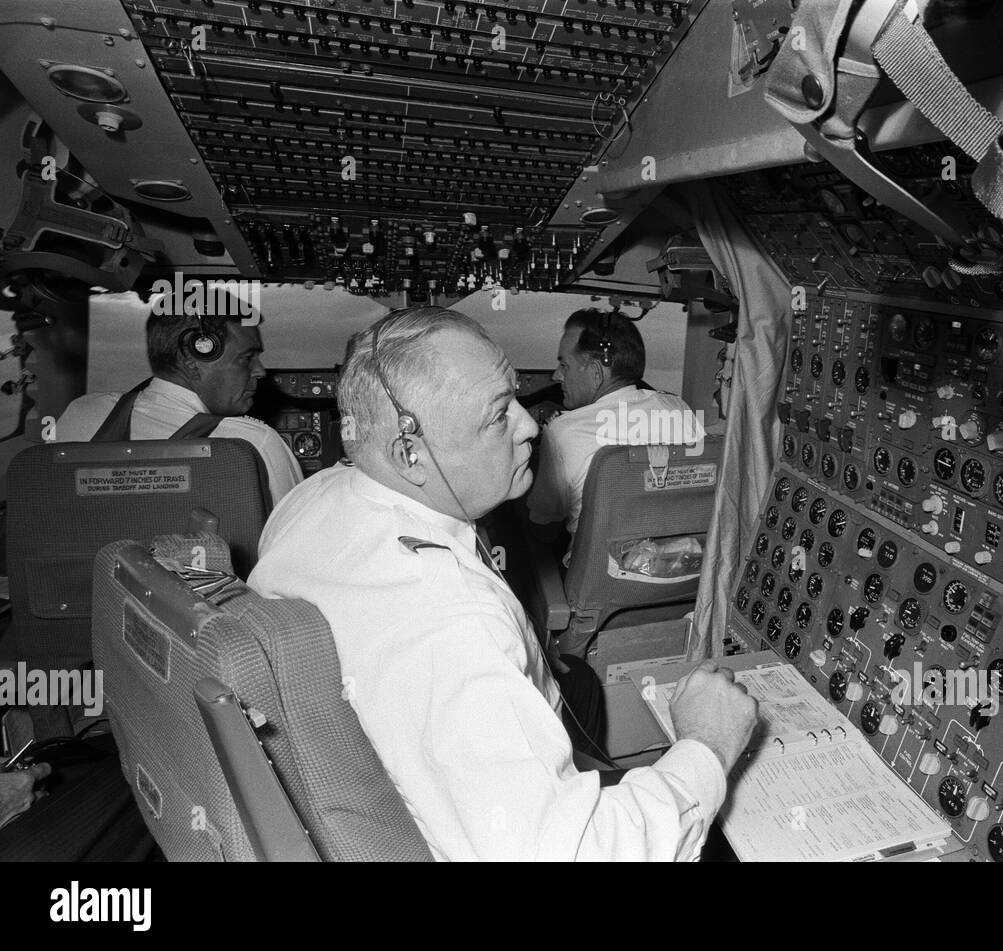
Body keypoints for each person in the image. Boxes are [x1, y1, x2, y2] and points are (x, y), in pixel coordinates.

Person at [248, 306, 757, 861]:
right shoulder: (452, 626)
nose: (532, 425)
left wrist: (527, 648)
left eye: (516, 396)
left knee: (577, 681)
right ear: (408, 453)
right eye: (498, 415)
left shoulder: (308, 498)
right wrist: (706, 745)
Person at [55, 308, 303, 505]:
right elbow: (295, 546)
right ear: (193, 360)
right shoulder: (253, 444)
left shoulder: (81, 414)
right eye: (247, 358)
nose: (260, 371)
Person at [526, 309, 700, 540]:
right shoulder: (679, 409)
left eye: (565, 365)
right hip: (679, 566)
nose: (557, 376)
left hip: (599, 574)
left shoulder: (563, 432)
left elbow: (543, 515)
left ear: (596, 372)